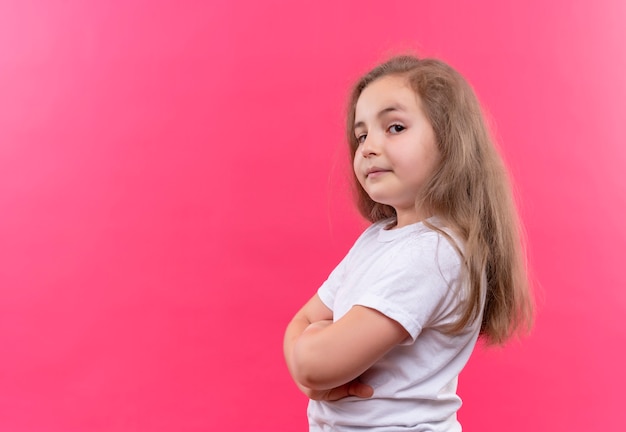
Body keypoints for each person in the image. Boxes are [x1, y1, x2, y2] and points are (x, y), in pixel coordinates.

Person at [283, 55, 534, 432]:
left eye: (395, 127)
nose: (367, 147)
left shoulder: (432, 254)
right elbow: (301, 324)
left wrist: (311, 358)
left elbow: (314, 358)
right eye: (361, 134)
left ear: (450, 142)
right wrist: (310, 372)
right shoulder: (377, 239)